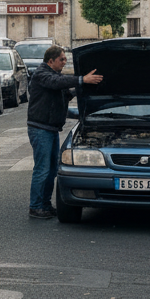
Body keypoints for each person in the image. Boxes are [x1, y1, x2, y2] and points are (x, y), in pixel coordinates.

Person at [26, 45, 103, 219]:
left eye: (65, 59)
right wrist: (82, 80)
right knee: (42, 169)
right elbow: (56, 83)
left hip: (51, 129)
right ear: (50, 60)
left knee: (52, 170)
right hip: (40, 129)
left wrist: (82, 89)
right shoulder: (41, 74)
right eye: (62, 59)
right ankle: (35, 206)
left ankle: (45, 204)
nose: (64, 62)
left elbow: (64, 94)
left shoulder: (54, 76)